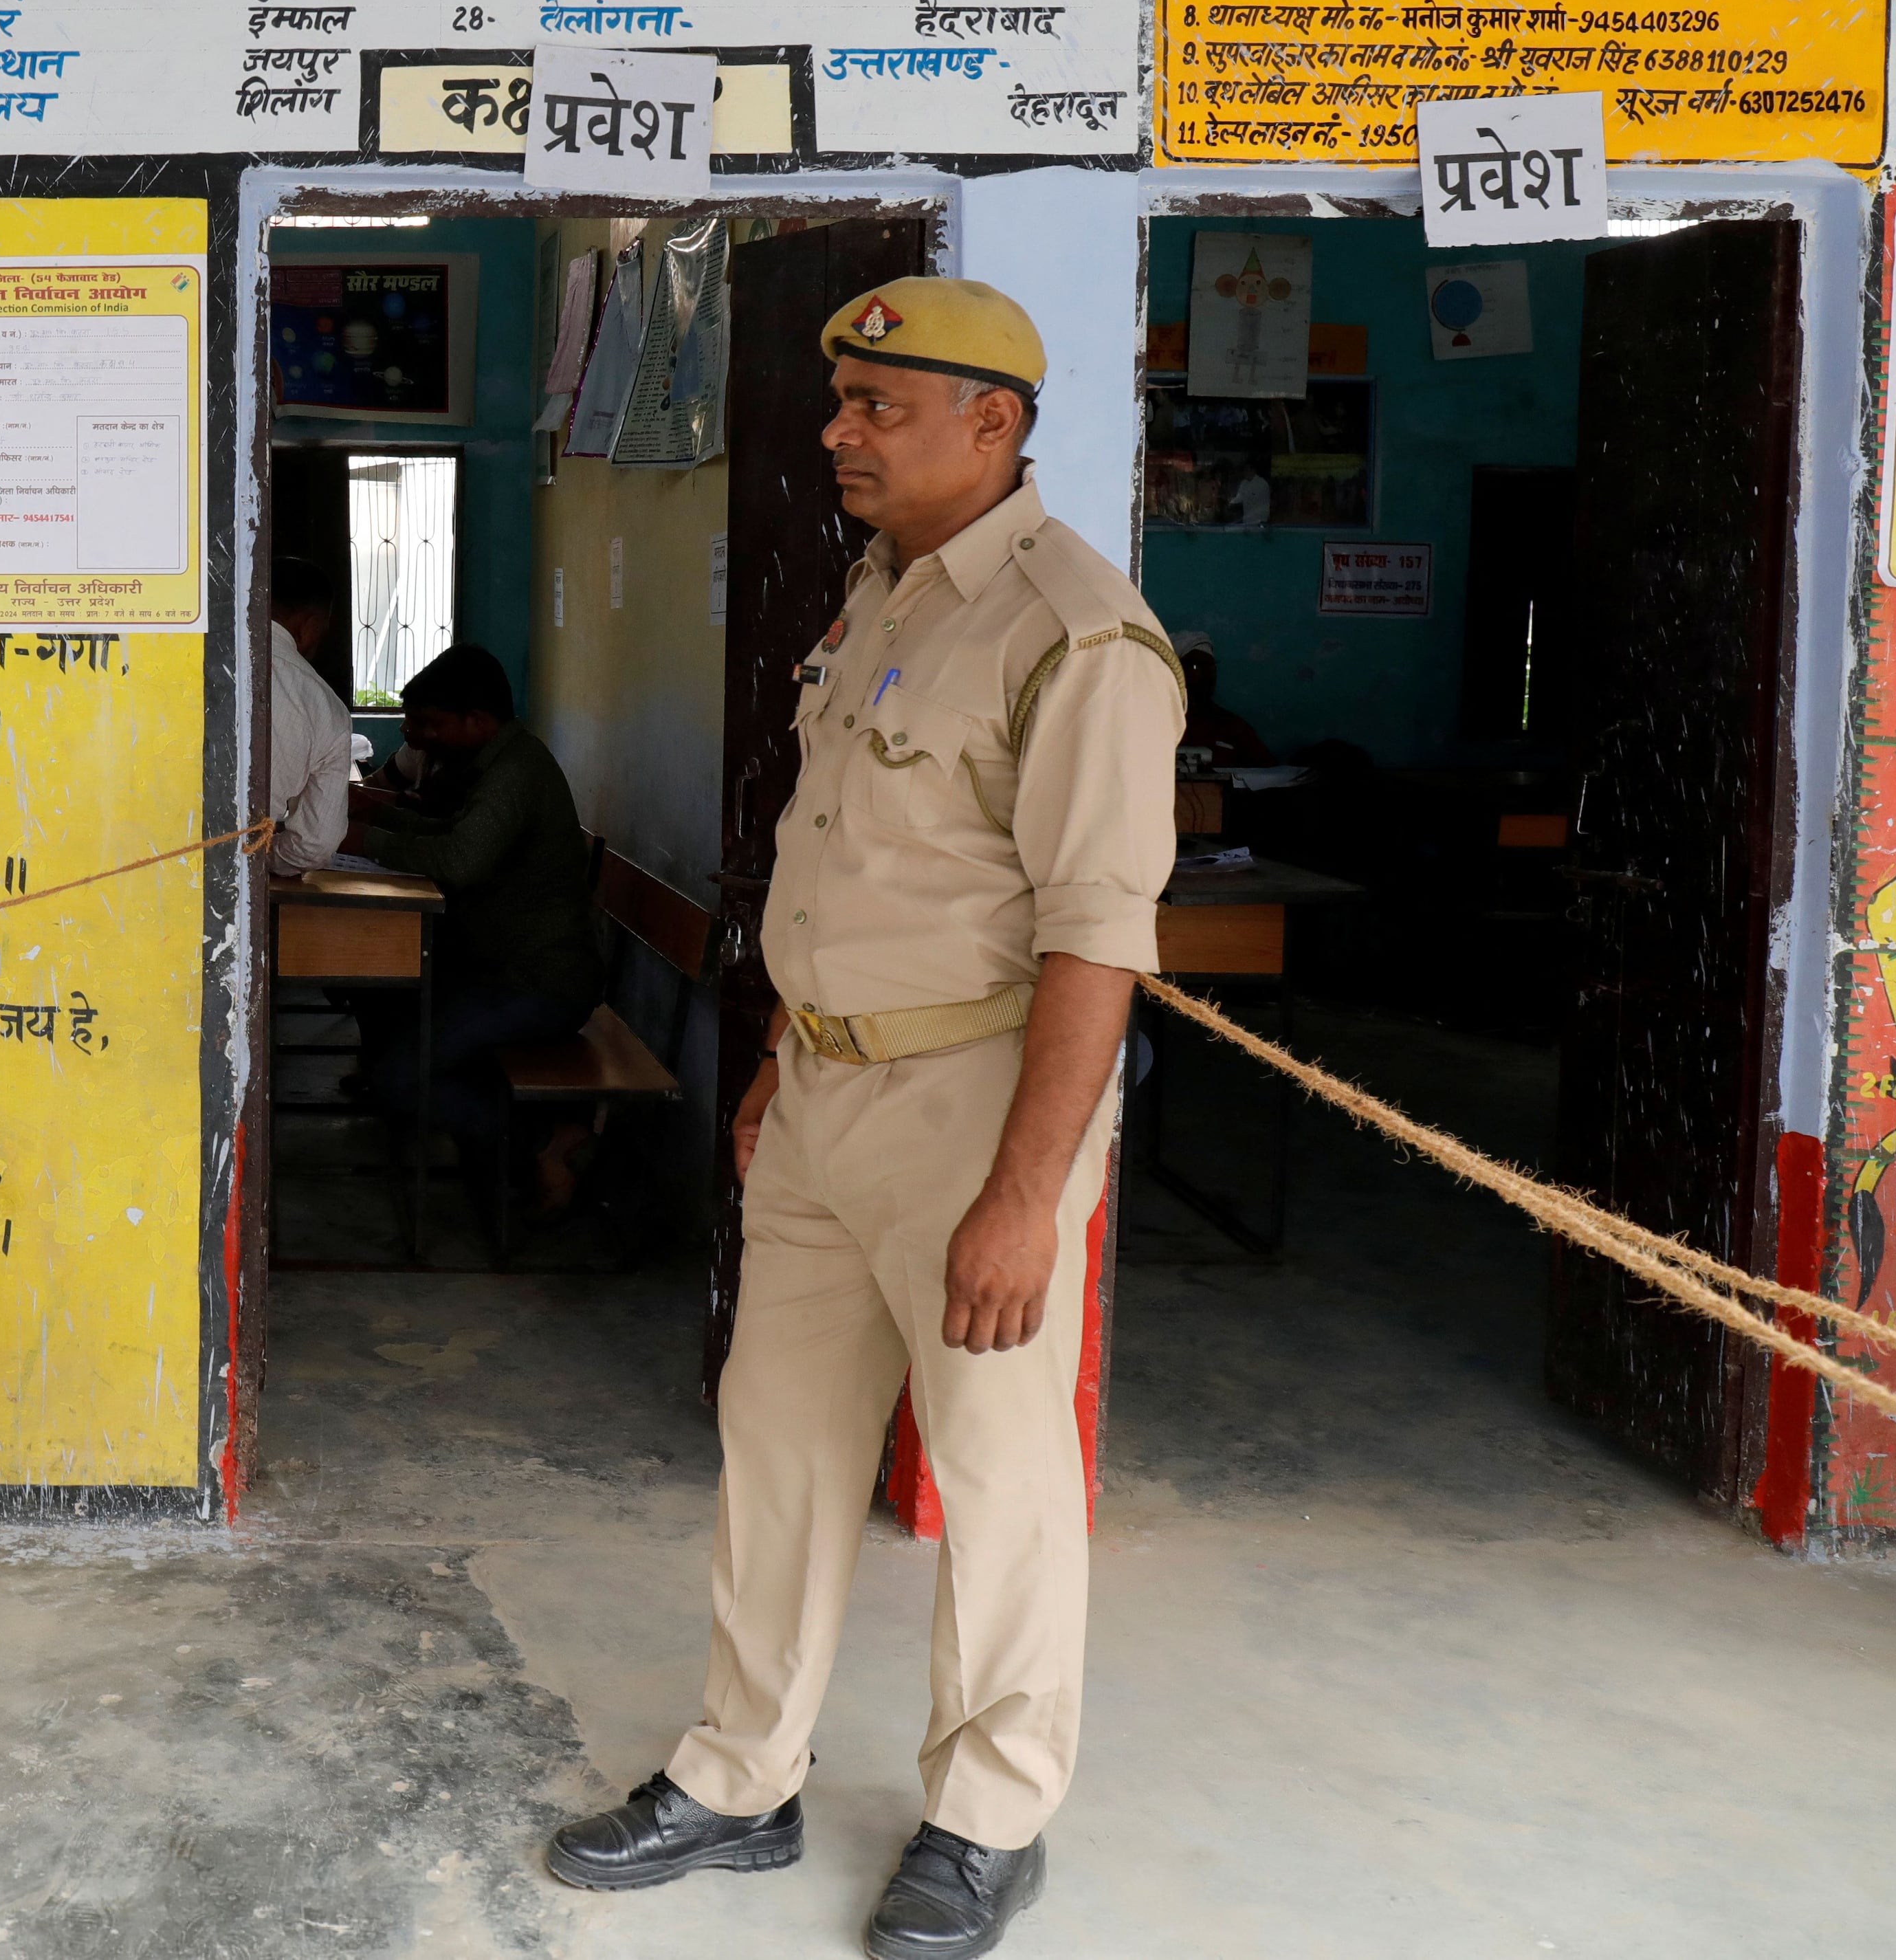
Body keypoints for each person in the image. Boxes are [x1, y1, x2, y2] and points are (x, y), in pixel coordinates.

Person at [544, 278, 1176, 1960]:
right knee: (781, 1443)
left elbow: (1097, 939)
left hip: (977, 1113)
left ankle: (990, 1815)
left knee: (995, 1468)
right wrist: (774, 1058)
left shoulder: (1078, 637)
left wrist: (1025, 1194)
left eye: (878, 407)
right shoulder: (885, 594)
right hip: (822, 1092)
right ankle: (740, 1775)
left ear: (992, 424)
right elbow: (853, 867)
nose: (839, 432)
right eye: (840, 401)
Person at [343, 644, 603, 1198]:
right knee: (379, 995)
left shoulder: (517, 773)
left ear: (479, 721)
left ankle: (545, 1139)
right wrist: (377, 812)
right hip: (495, 965)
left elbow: (460, 861)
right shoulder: (496, 763)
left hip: (539, 984)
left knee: (398, 1077)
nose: (418, 737)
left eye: (433, 724)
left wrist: (367, 837)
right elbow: (453, 834)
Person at [267, 555, 359, 875]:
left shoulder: (183, 658)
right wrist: (258, 857)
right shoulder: (325, 708)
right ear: (312, 625)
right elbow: (315, 846)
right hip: (226, 880)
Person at [1170, 631, 1273, 767]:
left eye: (1211, 667)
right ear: (1176, 672)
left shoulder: (1233, 728)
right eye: (1196, 667)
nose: (1208, 675)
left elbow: (1269, 772)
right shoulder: (1158, 725)